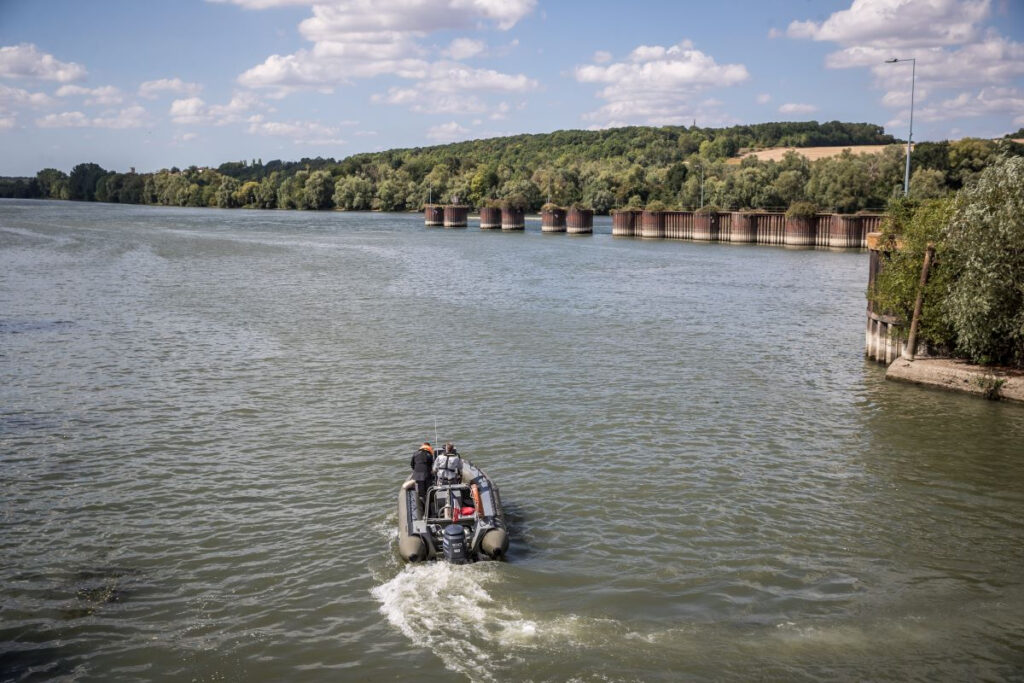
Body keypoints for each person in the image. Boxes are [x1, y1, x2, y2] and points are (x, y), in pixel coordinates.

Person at [410, 442, 434, 507]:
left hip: (417, 475)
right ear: (429, 448)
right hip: (426, 475)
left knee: (421, 492)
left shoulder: (415, 454)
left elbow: (412, 465)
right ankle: (430, 502)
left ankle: (422, 504)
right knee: (428, 489)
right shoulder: (429, 455)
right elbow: (431, 466)